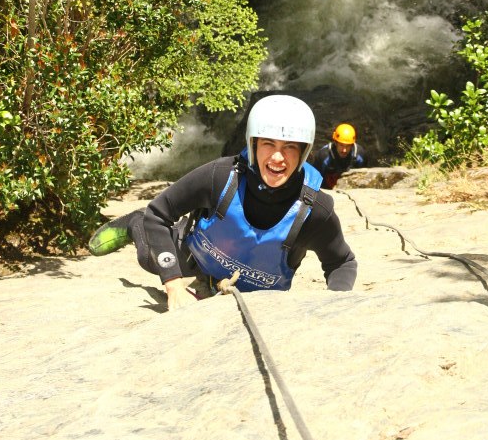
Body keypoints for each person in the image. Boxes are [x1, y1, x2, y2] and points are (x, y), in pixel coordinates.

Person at [88, 94, 357, 310]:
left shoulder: (315, 211)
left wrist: (333, 305)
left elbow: (341, 262)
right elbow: (158, 214)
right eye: (268, 144)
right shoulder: (220, 176)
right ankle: (134, 224)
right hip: (196, 261)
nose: (278, 157)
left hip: (255, 296)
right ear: (253, 146)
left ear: (303, 153)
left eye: (289, 147)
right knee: (151, 257)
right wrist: (174, 285)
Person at [313, 123, 366, 190]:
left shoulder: (359, 155)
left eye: (348, 146)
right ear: (335, 143)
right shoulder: (323, 156)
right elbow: (314, 180)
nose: (344, 150)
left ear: (352, 145)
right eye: (341, 145)